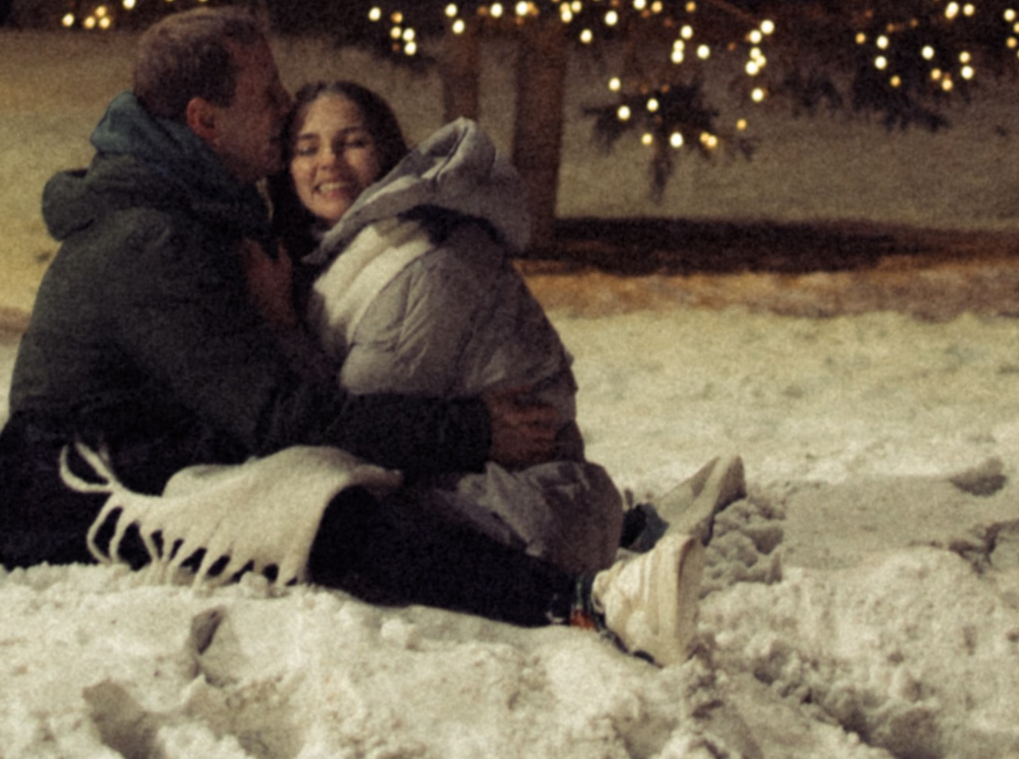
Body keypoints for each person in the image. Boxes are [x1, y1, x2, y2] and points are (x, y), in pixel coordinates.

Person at [0, 7, 703, 662]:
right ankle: (574, 605)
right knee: (316, 506)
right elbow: (285, 416)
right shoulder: (160, 239)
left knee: (305, 485)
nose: (290, 115)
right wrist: (473, 433)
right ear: (205, 121)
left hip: (137, 461)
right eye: (271, 102)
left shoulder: (201, 209)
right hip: (116, 480)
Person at [282, 78, 739, 571]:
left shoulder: (418, 260)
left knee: (332, 517)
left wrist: (278, 322)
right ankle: (641, 526)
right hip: (523, 497)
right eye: (307, 148)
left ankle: (641, 544)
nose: (328, 160)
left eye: (353, 142)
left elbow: (356, 429)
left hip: (533, 517)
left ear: (387, 151)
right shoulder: (348, 253)